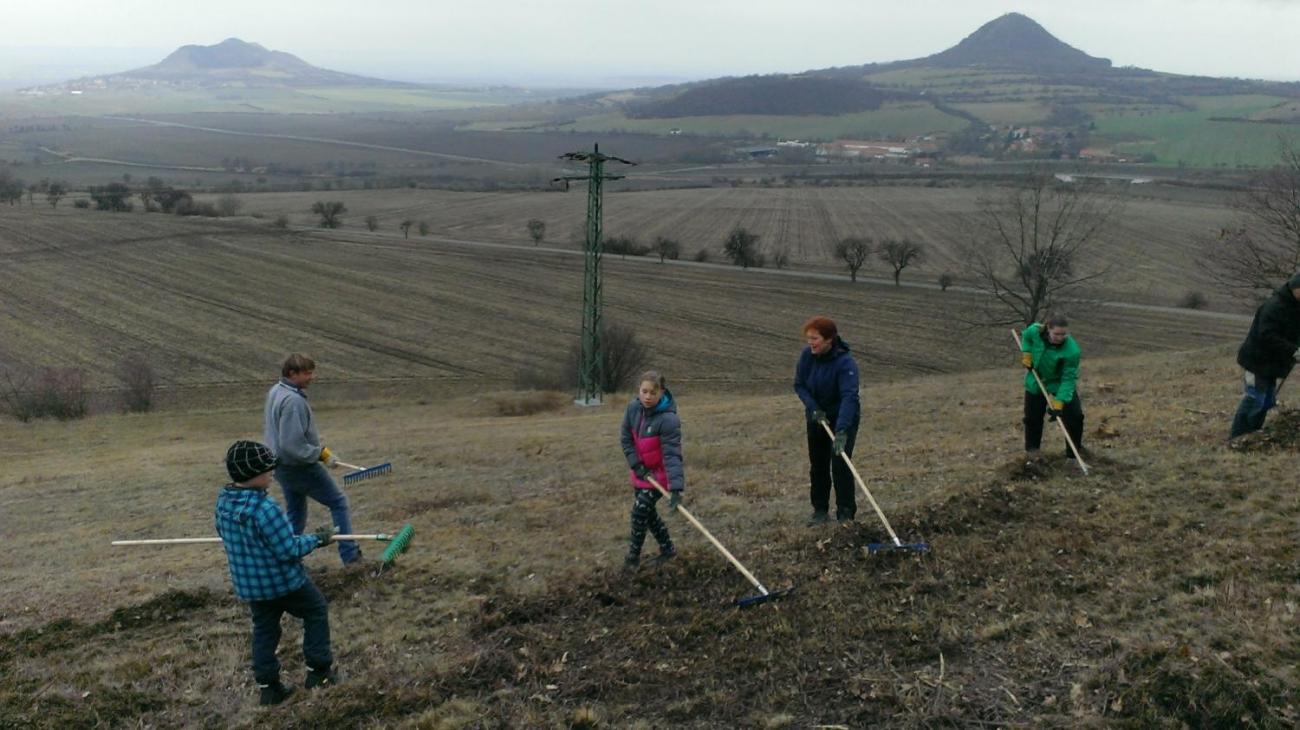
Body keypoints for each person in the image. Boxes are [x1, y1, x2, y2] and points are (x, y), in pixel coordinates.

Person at [215, 440, 339, 706]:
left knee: (265, 630)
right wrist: (319, 539)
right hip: (284, 583)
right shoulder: (265, 508)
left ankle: (268, 688)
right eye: (268, 470)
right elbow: (288, 550)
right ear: (253, 474)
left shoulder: (223, 503)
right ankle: (319, 673)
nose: (272, 473)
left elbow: (225, 536)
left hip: (252, 588)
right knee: (316, 609)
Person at [264, 353, 361, 565]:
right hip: (297, 467)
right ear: (292, 374)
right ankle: (351, 557)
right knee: (338, 502)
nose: (311, 377)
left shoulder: (276, 391)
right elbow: (292, 445)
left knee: (295, 515)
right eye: (307, 373)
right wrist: (321, 454)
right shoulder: (292, 401)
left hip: (280, 466)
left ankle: (285, 560)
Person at [793, 316, 861, 526]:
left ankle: (845, 513)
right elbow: (799, 385)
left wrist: (841, 430)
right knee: (818, 465)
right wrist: (814, 408)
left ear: (829, 339)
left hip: (843, 417)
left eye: (815, 338)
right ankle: (820, 511)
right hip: (816, 417)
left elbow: (849, 397)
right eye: (809, 339)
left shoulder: (845, 363)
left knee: (840, 464)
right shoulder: (807, 356)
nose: (810, 343)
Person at [619, 370, 684, 571]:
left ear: (662, 392)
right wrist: (636, 464)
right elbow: (626, 439)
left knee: (639, 513)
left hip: (660, 477)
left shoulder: (668, 420)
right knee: (649, 515)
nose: (647, 397)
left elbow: (672, 455)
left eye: (653, 393)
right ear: (638, 390)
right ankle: (668, 549)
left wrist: (676, 487)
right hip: (640, 473)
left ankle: (632, 559)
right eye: (644, 391)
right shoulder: (632, 409)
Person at [1230, 273, 1300, 439]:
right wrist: (1293, 350)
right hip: (1257, 360)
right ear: (1295, 288)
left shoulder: (1296, 307)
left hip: (1272, 364)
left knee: (1267, 401)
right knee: (1255, 398)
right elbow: (1267, 335)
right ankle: (1237, 437)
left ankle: (1253, 434)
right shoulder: (1274, 306)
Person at [1019, 314, 1084, 457]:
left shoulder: (1072, 351)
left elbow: (1068, 379)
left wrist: (1059, 402)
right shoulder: (1035, 331)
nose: (1060, 337)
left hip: (1059, 382)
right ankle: (1033, 452)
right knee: (1032, 418)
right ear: (1048, 328)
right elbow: (1027, 338)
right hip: (1037, 378)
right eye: (1056, 334)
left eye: (1063, 334)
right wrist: (1026, 353)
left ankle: (1073, 455)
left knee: (1075, 416)